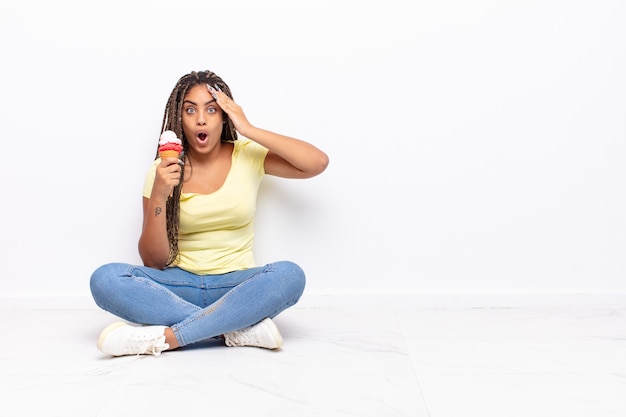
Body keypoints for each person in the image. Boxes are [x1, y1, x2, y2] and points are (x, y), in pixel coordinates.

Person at [90, 70, 329, 357]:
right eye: (190, 110)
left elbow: (316, 163)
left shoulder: (247, 154)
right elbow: (153, 261)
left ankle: (170, 338)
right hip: (179, 285)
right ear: (180, 119)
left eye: (211, 109)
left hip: (236, 286)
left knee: (290, 276)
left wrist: (248, 128)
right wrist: (159, 195)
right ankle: (234, 327)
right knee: (105, 279)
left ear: (224, 116)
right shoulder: (162, 170)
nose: (201, 119)